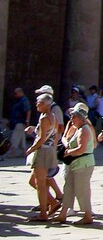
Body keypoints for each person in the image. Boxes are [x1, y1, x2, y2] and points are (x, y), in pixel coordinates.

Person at [55, 103, 95, 225]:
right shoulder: (79, 129)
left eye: (74, 117)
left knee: (82, 191)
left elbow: (81, 149)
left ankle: (88, 216)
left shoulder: (84, 130)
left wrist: (68, 152)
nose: (71, 119)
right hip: (75, 163)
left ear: (81, 119)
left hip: (83, 164)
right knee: (68, 189)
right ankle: (62, 214)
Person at [25, 93, 59, 222]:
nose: (37, 104)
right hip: (49, 149)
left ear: (46, 104)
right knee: (33, 181)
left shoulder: (44, 118)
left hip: (43, 151)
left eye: (39, 102)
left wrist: (31, 149)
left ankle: (43, 213)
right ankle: (53, 203)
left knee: (40, 184)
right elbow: (54, 135)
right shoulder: (53, 116)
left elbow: (42, 137)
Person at [8, 87, 30, 156]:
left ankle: (13, 151)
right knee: (21, 136)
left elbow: (28, 110)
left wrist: (27, 120)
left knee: (16, 136)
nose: (15, 95)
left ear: (20, 92)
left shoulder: (24, 100)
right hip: (16, 121)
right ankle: (24, 151)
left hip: (20, 121)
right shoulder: (18, 100)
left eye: (16, 93)